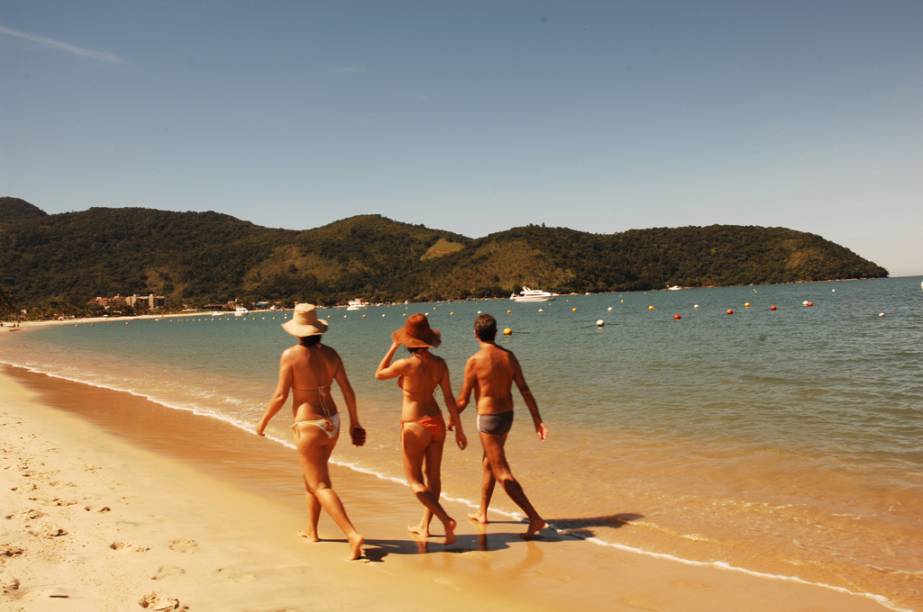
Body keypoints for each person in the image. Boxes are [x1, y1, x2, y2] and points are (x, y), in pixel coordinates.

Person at [256, 303, 366, 560]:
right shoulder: (332, 354)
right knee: (312, 478)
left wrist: (263, 422)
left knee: (320, 484)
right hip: (333, 423)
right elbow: (348, 390)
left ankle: (352, 534)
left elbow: (281, 395)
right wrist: (354, 423)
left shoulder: (290, 355)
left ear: (296, 330)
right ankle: (311, 530)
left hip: (308, 425)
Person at [375, 313, 467, 545]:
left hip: (414, 424)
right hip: (436, 422)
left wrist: (393, 346)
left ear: (409, 341)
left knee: (414, 481)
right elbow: (448, 398)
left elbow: (378, 374)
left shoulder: (405, 364)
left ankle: (446, 520)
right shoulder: (440, 364)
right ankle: (425, 526)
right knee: (433, 478)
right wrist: (459, 428)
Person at [457, 313, 548, 538]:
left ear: (475, 333)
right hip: (507, 416)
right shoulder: (509, 357)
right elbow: (524, 390)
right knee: (489, 462)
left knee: (501, 472)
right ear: (496, 333)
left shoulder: (474, 361)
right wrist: (537, 419)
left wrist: (449, 416)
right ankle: (482, 512)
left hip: (488, 419)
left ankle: (534, 518)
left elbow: (463, 399)